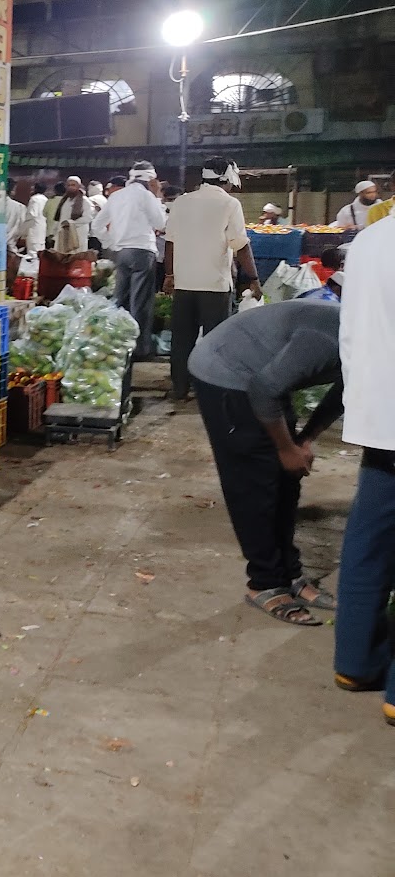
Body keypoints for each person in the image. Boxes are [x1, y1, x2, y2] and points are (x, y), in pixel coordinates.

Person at [191, 300, 344, 624]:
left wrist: (304, 441)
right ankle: (265, 583)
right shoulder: (329, 340)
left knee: (288, 481)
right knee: (255, 484)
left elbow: (343, 393)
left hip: (267, 375)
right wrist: (286, 448)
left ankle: (289, 575)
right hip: (227, 373)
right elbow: (263, 390)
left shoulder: (375, 348)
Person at [330, 215, 395, 721]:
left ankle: (355, 663)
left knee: (369, 543)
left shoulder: (370, 240)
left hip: (377, 416)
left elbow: (350, 332)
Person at [164, 157, 262, 401]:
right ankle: (210, 391)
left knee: (181, 339)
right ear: (227, 177)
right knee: (214, 340)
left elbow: (170, 242)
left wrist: (169, 275)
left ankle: (179, 388)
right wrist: (254, 278)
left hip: (184, 283)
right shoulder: (229, 204)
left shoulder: (181, 202)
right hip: (214, 285)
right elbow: (241, 245)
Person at [97, 161, 165, 360]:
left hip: (121, 253)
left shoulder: (116, 196)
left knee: (120, 300)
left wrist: (110, 242)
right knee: (140, 303)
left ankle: (118, 344)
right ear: (150, 179)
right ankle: (140, 349)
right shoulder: (147, 196)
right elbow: (161, 223)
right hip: (143, 252)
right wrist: (158, 195)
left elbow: (97, 224)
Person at [52, 175, 95, 254]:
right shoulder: (64, 201)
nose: (71, 187)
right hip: (63, 234)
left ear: (79, 186)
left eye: (73, 185)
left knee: (76, 258)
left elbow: (88, 217)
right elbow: (59, 218)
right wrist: (54, 231)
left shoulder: (85, 201)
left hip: (78, 234)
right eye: (69, 185)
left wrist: (71, 223)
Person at [24, 181, 49, 257]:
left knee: (32, 252)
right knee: (40, 252)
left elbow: (32, 214)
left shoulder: (34, 199)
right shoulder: (46, 199)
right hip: (43, 228)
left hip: (34, 228)